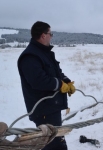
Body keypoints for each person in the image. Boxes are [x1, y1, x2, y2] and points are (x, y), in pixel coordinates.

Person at [17, 21, 75, 150]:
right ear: (43, 35)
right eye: (50, 33)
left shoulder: (44, 53)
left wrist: (66, 81)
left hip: (51, 107)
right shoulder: (30, 56)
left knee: (54, 140)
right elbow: (38, 81)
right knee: (54, 144)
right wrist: (60, 84)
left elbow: (56, 71)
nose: (51, 36)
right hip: (43, 110)